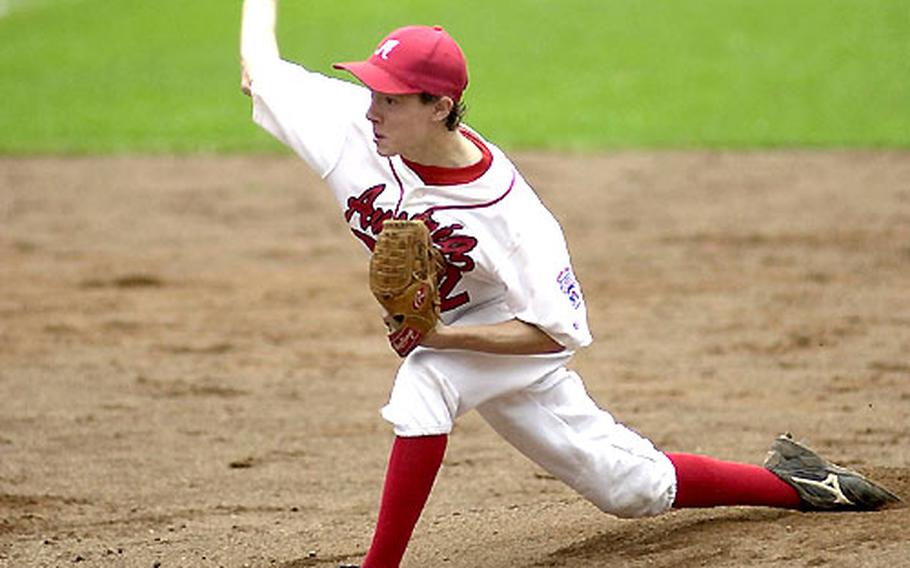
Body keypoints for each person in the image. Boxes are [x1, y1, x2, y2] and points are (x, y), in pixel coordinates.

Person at [239, 3, 900, 566]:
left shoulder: (511, 215)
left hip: (514, 329)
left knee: (427, 383)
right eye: (371, 90)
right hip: (464, 331)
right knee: (629, 488)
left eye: (390, 97)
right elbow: (259, 71)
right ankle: (798, 483)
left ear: (439, 106)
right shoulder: (346, 126)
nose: (371, 108)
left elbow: (555, 329)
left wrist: (439, 333)